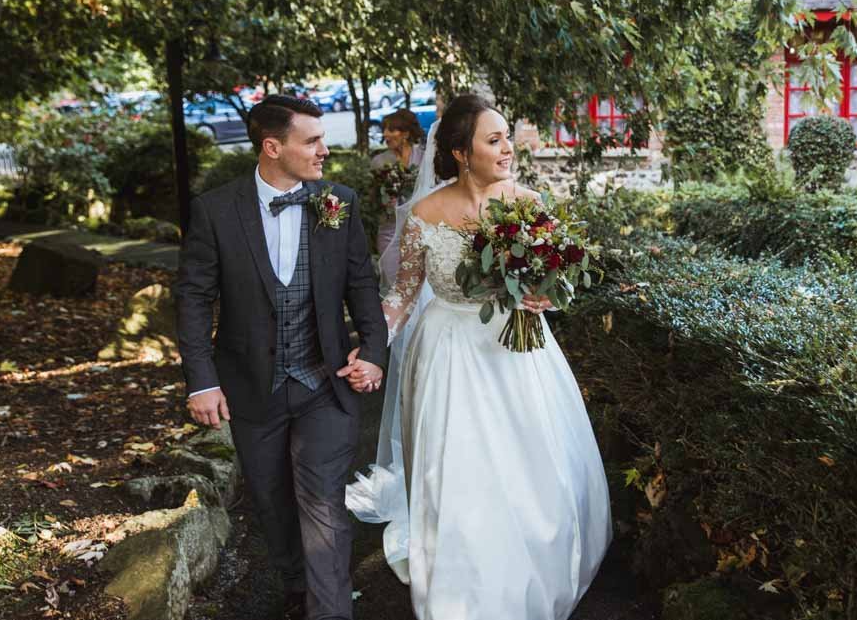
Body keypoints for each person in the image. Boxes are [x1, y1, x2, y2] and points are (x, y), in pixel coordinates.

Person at [346, 94, 612, 620]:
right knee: (457, 469)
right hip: (447, 353)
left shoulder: (531, 204)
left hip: (519, 351)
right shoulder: (424, 213)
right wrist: (372, 348)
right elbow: (402, 294)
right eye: (495, 140)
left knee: (531, 463)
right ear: (460, 153)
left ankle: (537, 566)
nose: (509, 148)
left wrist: (545, 296)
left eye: (508, 136)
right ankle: (462, 585)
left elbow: (556, 285)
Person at [176, 94, 387, 620]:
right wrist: (201, 381)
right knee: (272, 501)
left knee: (321, 498)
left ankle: (330, 610)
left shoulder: (339, 202)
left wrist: (375, 351)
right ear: (272, 147)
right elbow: (195, 300)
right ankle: (298, 584)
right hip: (252, 386)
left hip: (326, 382)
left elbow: (363, 284)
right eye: (312, 141)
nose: (324, 150)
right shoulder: (215, 210)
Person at [370, 108, 425, 262]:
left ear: (406, 134)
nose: (385, 134)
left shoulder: (423, 157)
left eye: (391, 130)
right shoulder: (379, 162)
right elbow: (374, 199)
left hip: (420, 228)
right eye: (384, 130)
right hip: (390, 229)